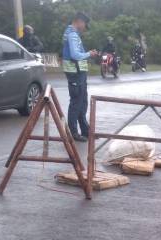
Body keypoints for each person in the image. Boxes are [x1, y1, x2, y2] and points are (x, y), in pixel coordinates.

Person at [62, 12, 98, 142]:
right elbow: (75, 55)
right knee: (76, 102)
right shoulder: (72, 34)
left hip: (79, 73)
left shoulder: (73, 33)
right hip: (75, 73)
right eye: (84, 24)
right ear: (79, 21)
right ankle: (73, 133)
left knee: (82, 102)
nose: (84, 27)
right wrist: (89, 53)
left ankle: (85, 131)